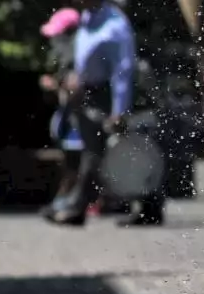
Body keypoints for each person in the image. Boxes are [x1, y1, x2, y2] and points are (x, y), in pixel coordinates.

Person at [47, 0, 139, 227]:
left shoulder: (114, 25)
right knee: (94, 151)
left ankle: (78, 206)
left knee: (102, 153)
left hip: (107, 95)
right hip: (87, 93)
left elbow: (122, 69)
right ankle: (78, 206)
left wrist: (119, 110)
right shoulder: (89, 18)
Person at [38, 7, 83, 220]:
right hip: (69, 116)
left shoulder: (77, 54)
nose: (54, 40)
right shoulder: (67, 58)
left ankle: (67, 203)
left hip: (77, 119)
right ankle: (64, 201)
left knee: (74, 163)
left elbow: (75, 88)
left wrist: (55, 85)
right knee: (71, 162)